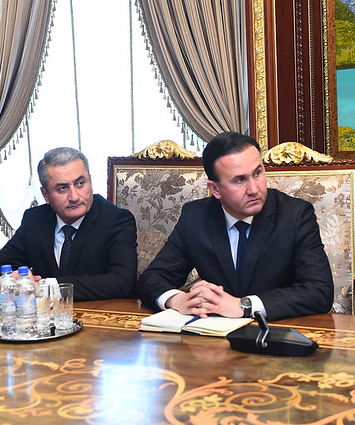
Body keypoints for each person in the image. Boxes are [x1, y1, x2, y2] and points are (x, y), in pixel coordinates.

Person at [137, 132, 334, 321]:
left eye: (258, 173)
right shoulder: (195, 217)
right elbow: (152, 278)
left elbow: (319, 291)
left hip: (278, 331)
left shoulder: (295, 215)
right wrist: (179, 300)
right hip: (212, 335)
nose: (254, 189)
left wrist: (243, 306)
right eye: (240, 180)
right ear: (215, 189)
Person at [0, 147, 137, 300]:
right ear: (45, 195)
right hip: (43, 315)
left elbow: (122, 281)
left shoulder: (116, 220)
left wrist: (47, 288)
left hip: (101, 313)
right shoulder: (35, 220)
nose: (74, 197)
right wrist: (8, 283)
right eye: (62, 188)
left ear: (90, 182)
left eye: (80, 183)